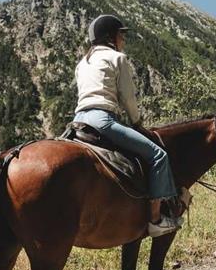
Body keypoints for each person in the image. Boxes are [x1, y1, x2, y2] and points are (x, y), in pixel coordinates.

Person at [73, 14, 182, 237]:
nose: (123, 39)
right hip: (102, 119)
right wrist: (137, 123)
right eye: (121, 34)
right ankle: (155, 220)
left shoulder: (82, 63)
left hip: (78, 121)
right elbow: (128, 98)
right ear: (111, 37)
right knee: (158, 155)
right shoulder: (117, 58)